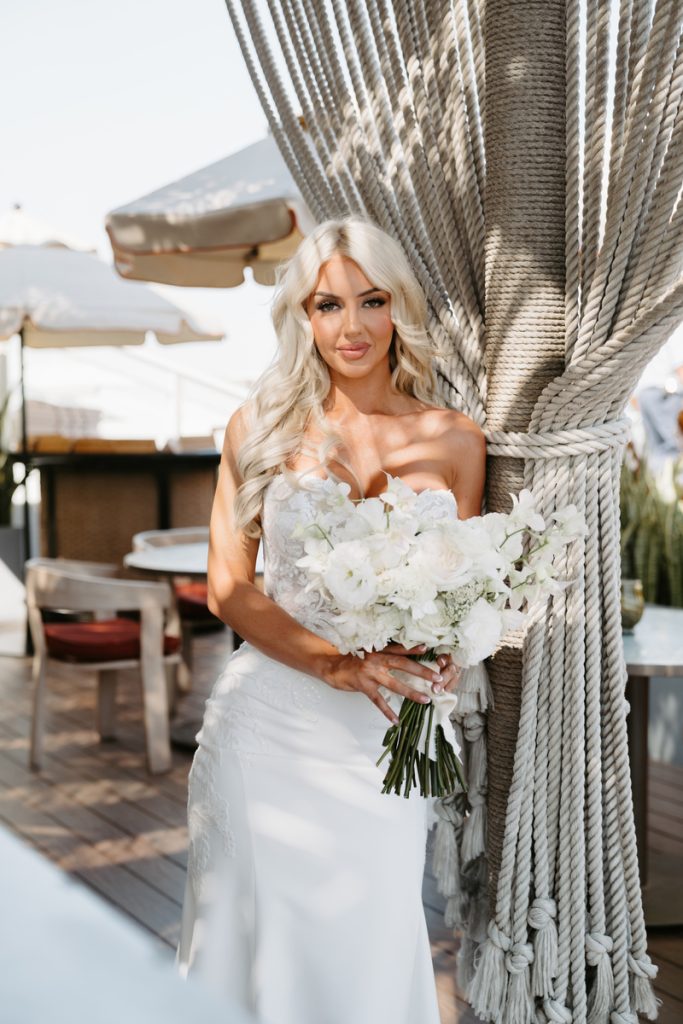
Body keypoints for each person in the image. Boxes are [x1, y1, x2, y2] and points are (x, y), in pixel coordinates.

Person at [175, 216, 487, 1024]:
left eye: (371, 301)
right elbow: (228, 589)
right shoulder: (259, 428)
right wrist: (331, 663)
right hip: (266, 727)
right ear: (302, 318)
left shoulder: (456, 440)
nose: (351, 327)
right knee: (248, 947)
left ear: (398, 309)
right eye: (327, 305)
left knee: (373, 937)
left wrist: (447, 648)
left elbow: (461, 587)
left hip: (385, 738)